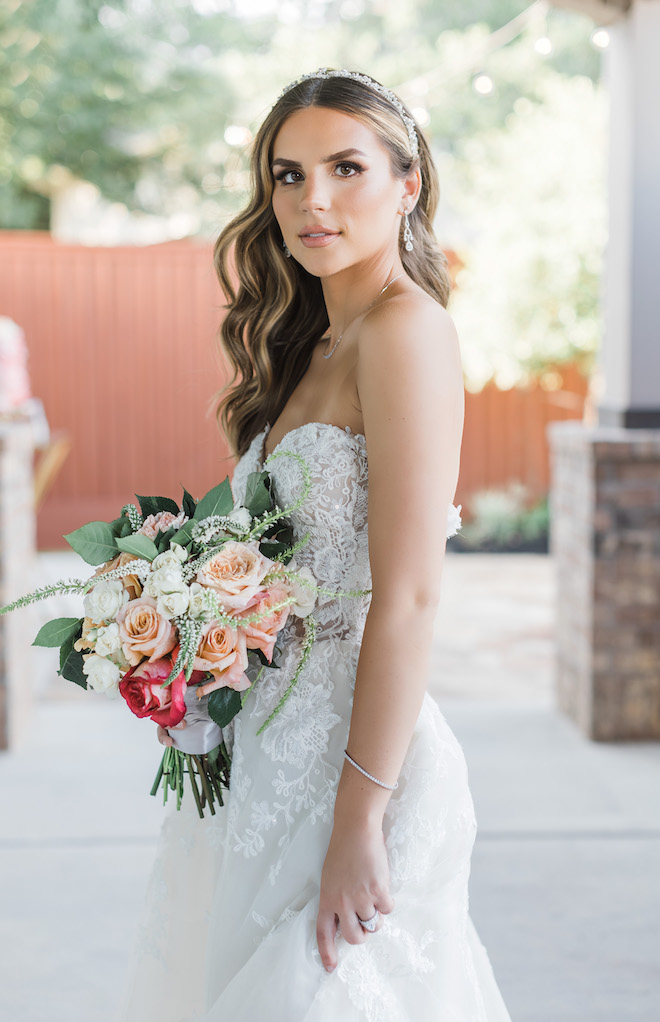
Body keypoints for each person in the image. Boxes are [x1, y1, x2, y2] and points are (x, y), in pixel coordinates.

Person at [118, 68, 512, 1021]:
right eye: (287, 176)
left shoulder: (407, 331)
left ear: (407, 183)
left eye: (345, 167)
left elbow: (409, 595)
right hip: (266, 751)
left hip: (355, 761)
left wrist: (360, 817)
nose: (313, 199)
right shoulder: (312, 345)